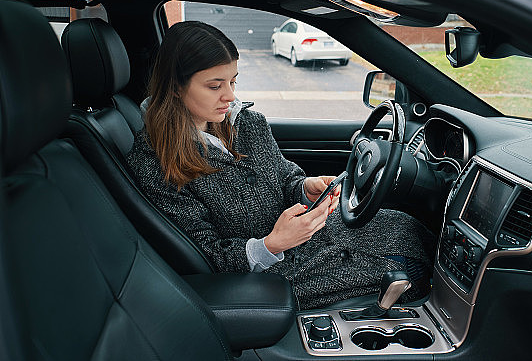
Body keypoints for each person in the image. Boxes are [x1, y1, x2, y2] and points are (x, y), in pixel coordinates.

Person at [126, 21, 433, 309]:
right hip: (271, 271)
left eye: (233, 81)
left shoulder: (248, 124)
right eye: (214, 86)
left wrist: (305, 189)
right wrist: (272, 244)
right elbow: (204, 256)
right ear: (175, 87)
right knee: (411, 269)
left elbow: (285, 176)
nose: (230, 96)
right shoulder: (155, 162)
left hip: (309, 236)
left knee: (408, 228)